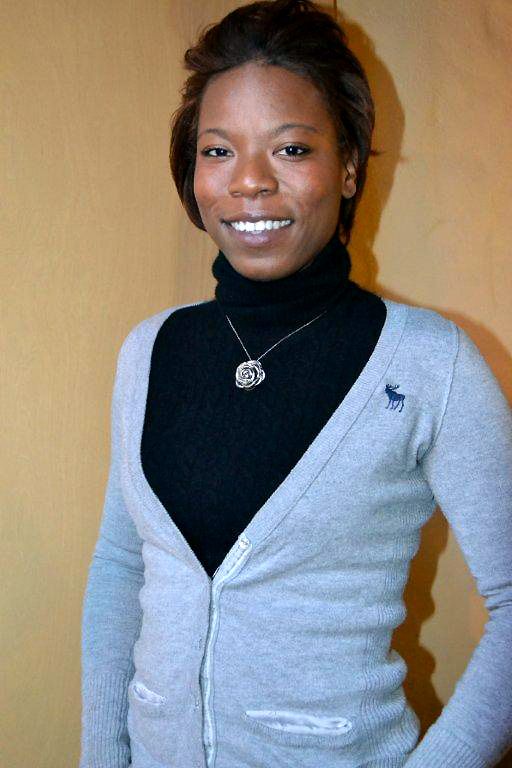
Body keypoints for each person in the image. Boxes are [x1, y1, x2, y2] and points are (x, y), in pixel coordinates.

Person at [79, 1, 512, 767]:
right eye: (218, 150)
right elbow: (121, 568)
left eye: (290, 148)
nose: (249, 181)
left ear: (348, 167)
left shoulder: (429, 364)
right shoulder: (149, 350)